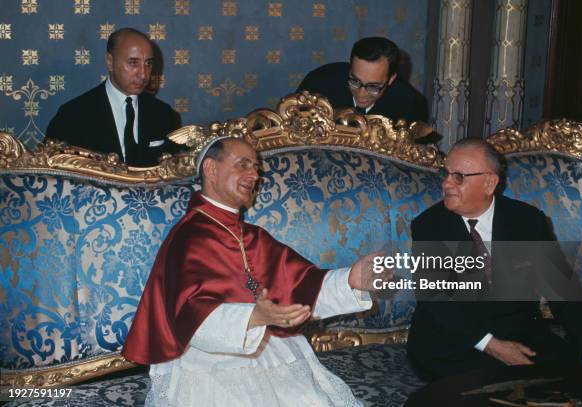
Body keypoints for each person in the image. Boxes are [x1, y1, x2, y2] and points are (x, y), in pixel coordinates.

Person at [122, 136, 388, 406]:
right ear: (211, 169)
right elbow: (188, 315)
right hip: (208, 361)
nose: (255, 175)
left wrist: (351, 279)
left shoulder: (254, 237)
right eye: (243, 165)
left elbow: (301, 284)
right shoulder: (188, 238)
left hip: (269, 348)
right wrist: (252, 317)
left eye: (257, 168)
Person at [407, 138, 582, 381]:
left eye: (459, 176)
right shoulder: (429, 226)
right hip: (454, 344)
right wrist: (493, 346)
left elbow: (561, 289)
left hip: (522, 338)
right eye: (446, 173)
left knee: (574, 383)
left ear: (490, 182)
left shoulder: (527, 221)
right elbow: (438, 303)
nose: (446, 183)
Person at [46, 27, 181, 167]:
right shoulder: (72, 115)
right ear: (110, 61)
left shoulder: (164, 114)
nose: (143, 74)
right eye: (133, 63)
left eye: (148, 63)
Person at [296, 37, 428, 123]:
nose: (361, 94)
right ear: (350, 66)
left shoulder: (409, 102)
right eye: (355, 81)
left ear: (391, 79)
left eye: (373, 87)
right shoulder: (319, 81)